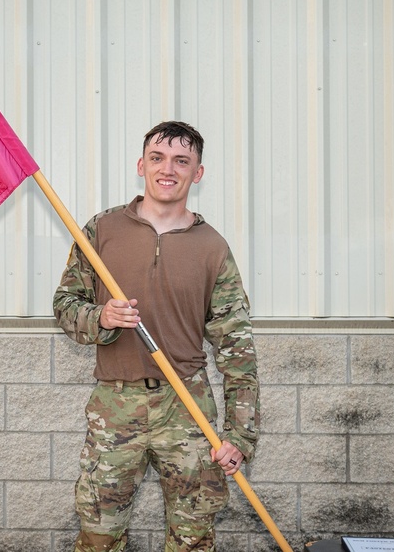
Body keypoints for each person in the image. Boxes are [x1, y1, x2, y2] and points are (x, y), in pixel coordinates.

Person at [53, 121, 259, 552]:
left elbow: (238, 351)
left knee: (192, 537)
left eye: (182, 160)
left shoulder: (213, 248)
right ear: (141, 166)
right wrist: (101, 317)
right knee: (98, 533)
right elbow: (65, 306)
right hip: (115, 405)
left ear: (197, 173)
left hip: (186, 407)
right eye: (158, 158)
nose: (169, 169)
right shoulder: (101, 231)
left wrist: (240, 438)